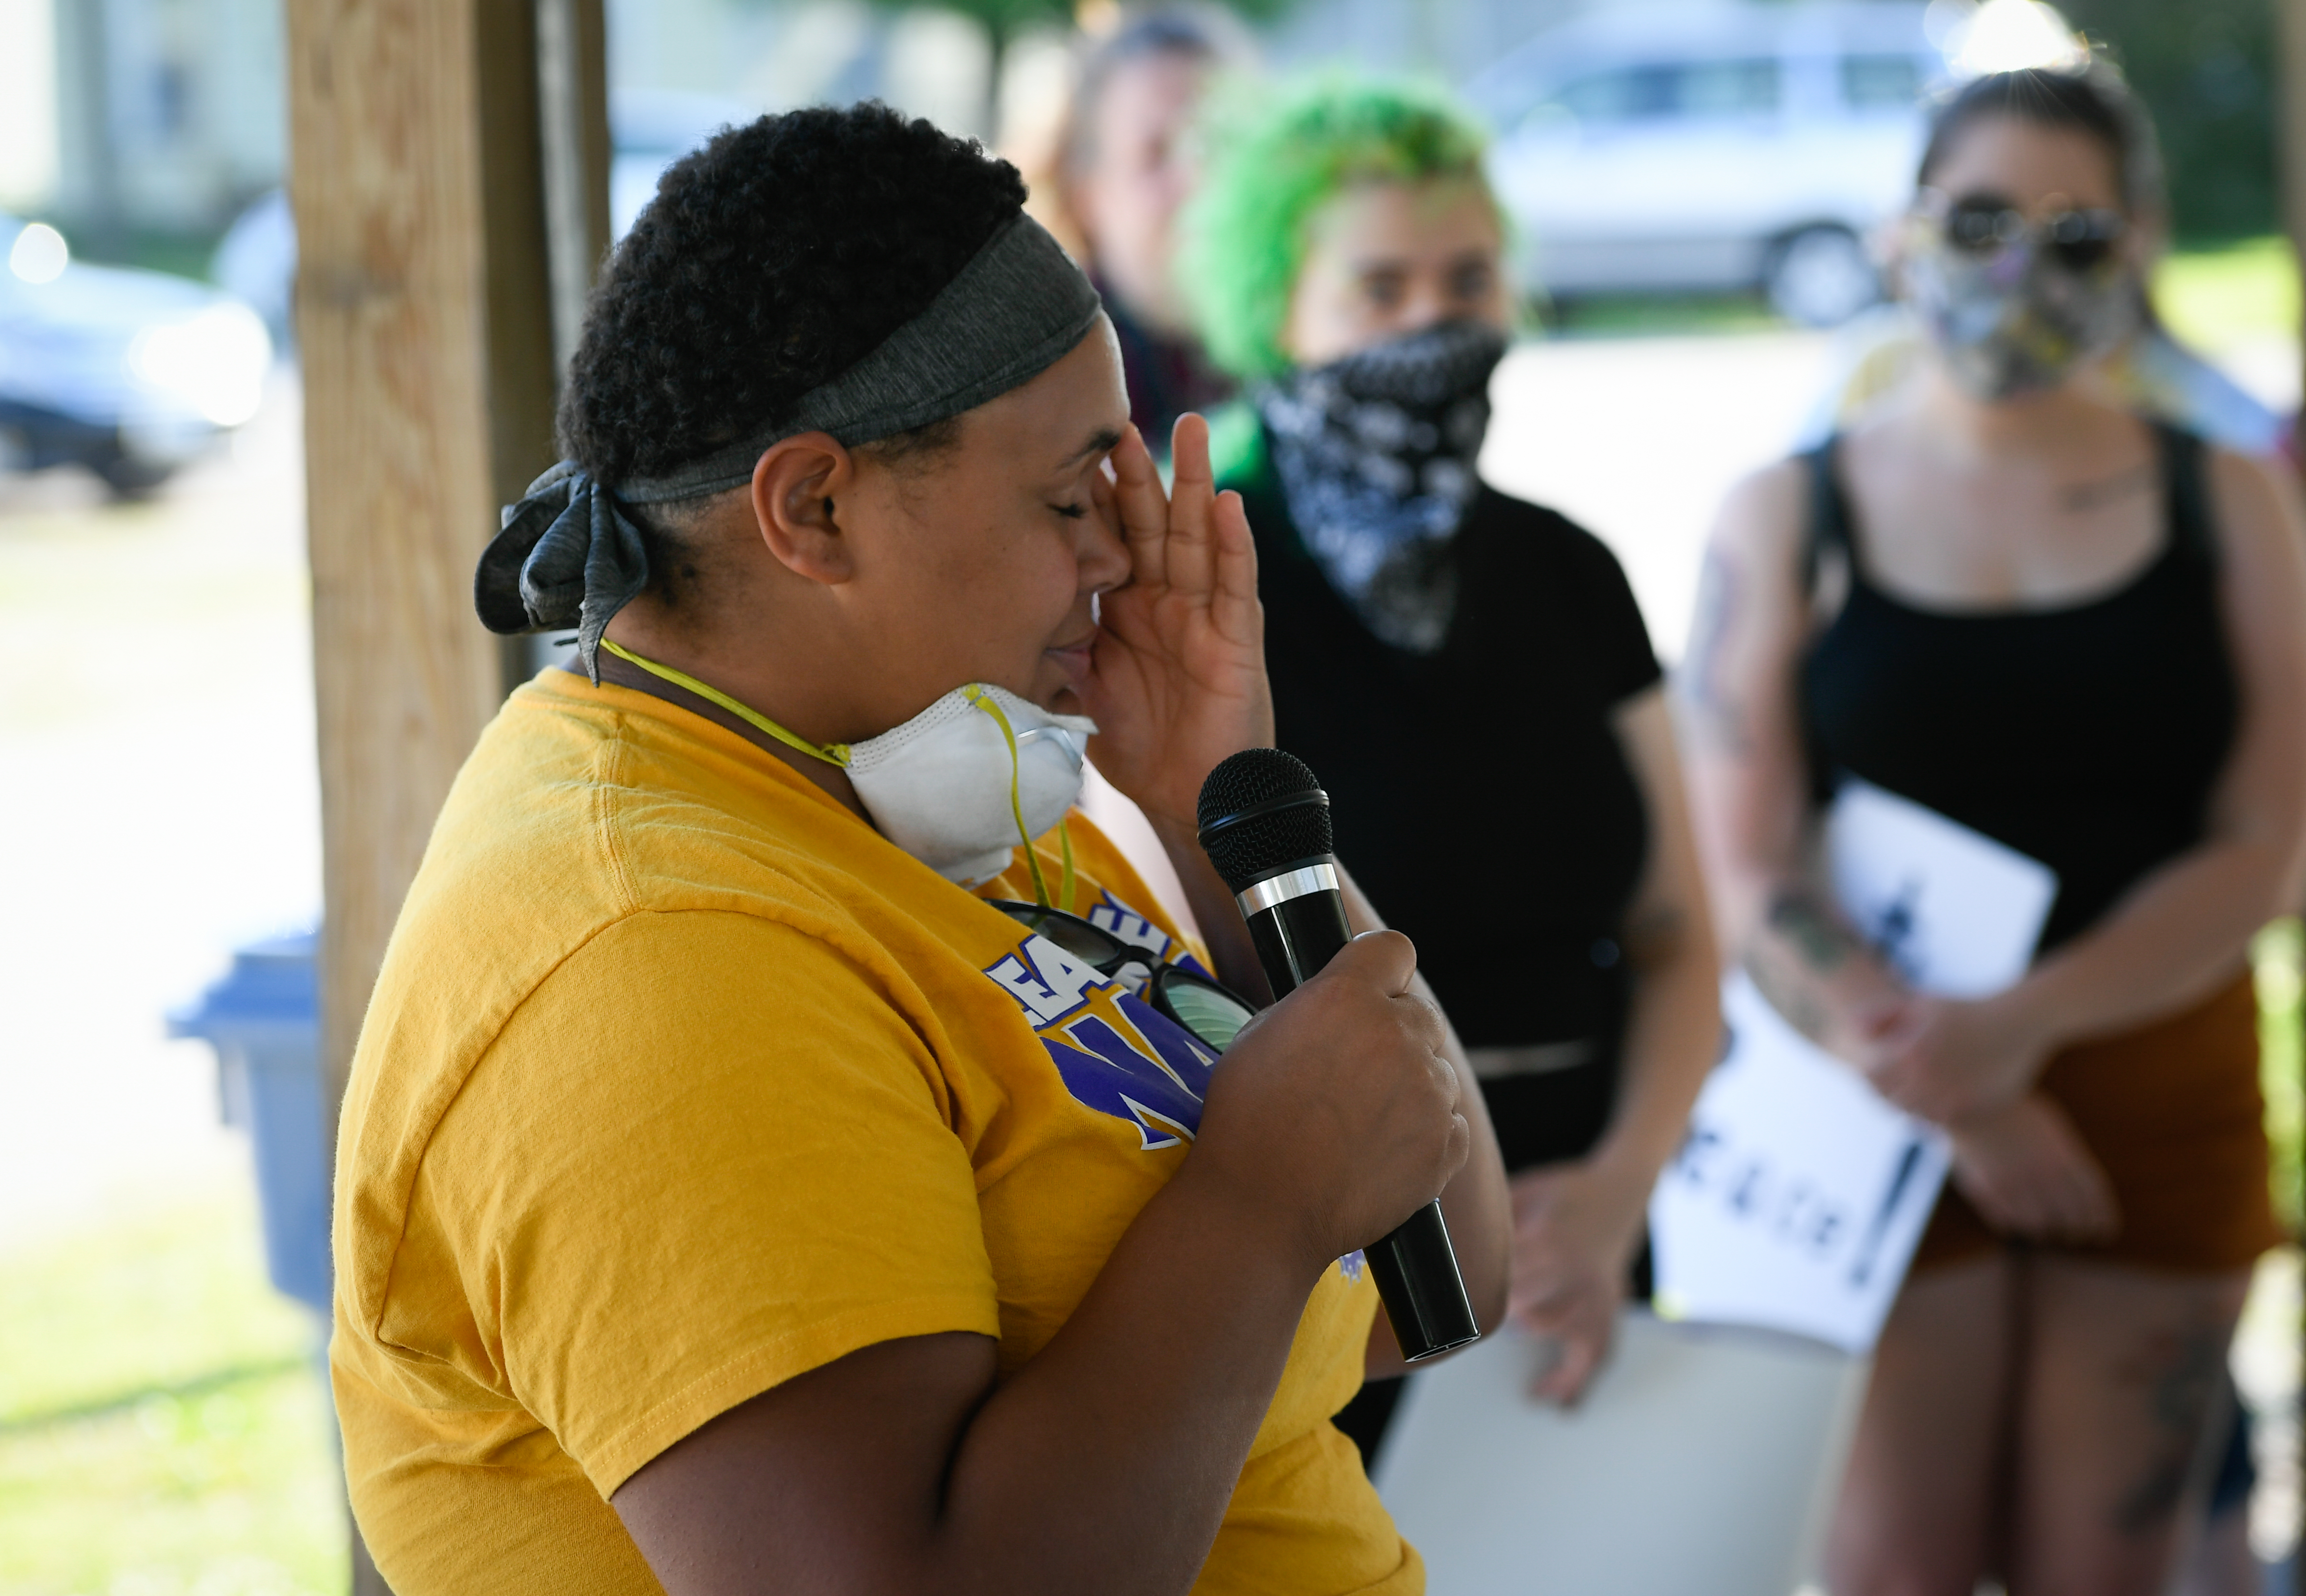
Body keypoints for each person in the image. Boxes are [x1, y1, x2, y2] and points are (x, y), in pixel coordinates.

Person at [326, 103, 1512, 1594]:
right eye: (1075, 494)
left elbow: (1440, 1278)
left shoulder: (912, 784)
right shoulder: (652, 953)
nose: (1124, 555)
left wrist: (1219, 799)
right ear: (816, 509)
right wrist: (1255, 1205)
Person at [1683, 65, 2306, 1596]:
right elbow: (1751, 856)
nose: (2018, 270)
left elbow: (2267, 841)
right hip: (1877, 1097)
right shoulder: (1788, 513)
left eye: (2074, 231)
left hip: (2158, 1081)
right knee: (1894, 1569)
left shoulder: (2228, 502)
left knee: (2097, 1573)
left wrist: (2024, 1028)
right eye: (1980, 218)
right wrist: (1940, 1068)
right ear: (1903, 231)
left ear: (2144, 243)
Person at [1179, 77, 1725, 1463]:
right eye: (1377, 286)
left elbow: (1673, 932)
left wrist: (1613, 1193)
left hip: (1571, 1250)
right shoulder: (1199, 589)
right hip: (1314, 1260)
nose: (1431, 323)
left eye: (1466, 279)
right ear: (1273, 317)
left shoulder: (1567, 570)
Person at [1053, 6, 1244, 442]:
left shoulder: (1307, 348)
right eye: (1155, 153)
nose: (1198, 181)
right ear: (1087, 194)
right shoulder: (1045, 390)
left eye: (1219, 145)